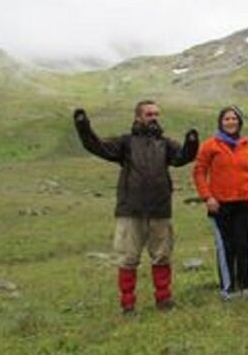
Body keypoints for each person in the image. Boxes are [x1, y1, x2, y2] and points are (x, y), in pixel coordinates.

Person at [73, 101, 198, 314]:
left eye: (157, 113)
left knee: (162, 256)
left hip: (160, 208)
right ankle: (128, 305)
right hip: (131, 209)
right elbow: (98, 146)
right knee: (128, 258)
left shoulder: (165, 144)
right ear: (138, 116)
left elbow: (182, 158)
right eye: (149, 114)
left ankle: (163, 300)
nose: (154, 117)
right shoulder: (126, 143)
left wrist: (191, 143)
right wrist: (83, 126)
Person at [193, 106, 248, 300]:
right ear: (220, 122)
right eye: (226, 119)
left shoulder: (247, 144)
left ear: (239, 122)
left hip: (245, 202)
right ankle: (229, 287)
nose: (231, 122)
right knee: (226, 246)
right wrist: (207, 197)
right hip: (220, 204)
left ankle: (247, 284)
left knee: (244, 244)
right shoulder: (210, 145)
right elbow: (199, 172)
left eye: (234, 119)